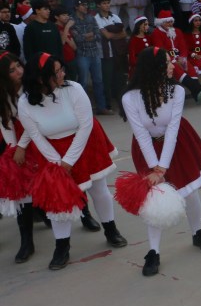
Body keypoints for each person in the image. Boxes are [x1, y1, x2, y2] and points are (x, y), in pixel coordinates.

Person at [18, 53, 127, 270]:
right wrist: (58, 164)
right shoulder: (24, 102)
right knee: (59, 200)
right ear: (41, 78)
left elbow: (86, 125)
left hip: (84, 143)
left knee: (98, 189)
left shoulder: (74, 89)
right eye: (57, 71)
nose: (63, 74)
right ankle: (62, 246)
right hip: (52, 151)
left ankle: (111, 229)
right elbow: (36, 136)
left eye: (61, 69)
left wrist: (68, 160)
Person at [122, 48, 201, 277]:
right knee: (154, 198)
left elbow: (173, 129)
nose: (173, 65)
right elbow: (141, 133)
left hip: (177, 144)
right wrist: (155, 167)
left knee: (190, 191)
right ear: (154, 68)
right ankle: (153, 251)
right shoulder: (129, 98)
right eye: (167, 62)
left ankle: (197, 232)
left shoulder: (176, 91)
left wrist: (162, 167)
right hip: (147, 149)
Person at [1, 51, 35, 263]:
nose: (19, 72)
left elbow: (37, 123)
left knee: (62, 179)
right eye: (12, 70)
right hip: (19, 140)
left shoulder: (33, 85)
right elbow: (5, 124)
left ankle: (85, 215)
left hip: (40, 138)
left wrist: (21, 146)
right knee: (21, 186)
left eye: (18, 66)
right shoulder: (2, 94)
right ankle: (26, 241)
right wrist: (14, 150)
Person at [151, 11, 201, 103]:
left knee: (189, 68)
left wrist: (182, 57)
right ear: (161, 22)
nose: (170, 24)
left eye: (171, 22)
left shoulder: (177, 31)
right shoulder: (156, 33)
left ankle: (196, 94)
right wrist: (173, 60)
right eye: (168, 22)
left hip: (179, 58)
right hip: (166, 60)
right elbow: (161, 50)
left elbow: (183, 46)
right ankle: (200, 89)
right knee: (175, 68)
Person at [69, 0, 110, 114]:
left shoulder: (91, 18)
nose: (85, 7)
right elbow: (77, 39)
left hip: (94, 52)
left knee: (98, 81)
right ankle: (84, 110)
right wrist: (89, 35)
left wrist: (86, 35)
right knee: (83, 83)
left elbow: (98, 35)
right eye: (82, 5)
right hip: (82, 54)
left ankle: (101, 107)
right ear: (76, 7)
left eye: (86, 5)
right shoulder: (72, 20)